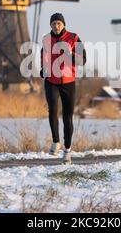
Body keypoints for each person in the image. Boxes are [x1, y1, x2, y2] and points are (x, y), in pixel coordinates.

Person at [40, 13, 86, 164]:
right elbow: (44, 57)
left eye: (59, 23)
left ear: (64, 24)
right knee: (53, 109)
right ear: (50, 25)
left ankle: (67, 151)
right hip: (51, 81)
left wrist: (70, 54)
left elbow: (82, 60)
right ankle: (55, 141)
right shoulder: (47, 39)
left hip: (68, 81)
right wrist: (43, 69)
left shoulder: (74, 38)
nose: (56, 26)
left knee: (68, 117)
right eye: (53, 23)